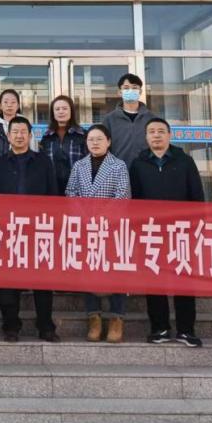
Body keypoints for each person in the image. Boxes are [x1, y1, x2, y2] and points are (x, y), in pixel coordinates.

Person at [129, 117, 205, 347]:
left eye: (161, 131)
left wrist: (196, 226)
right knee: (154, 280)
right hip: (151, 231)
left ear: (170, 135)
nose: (156, 135)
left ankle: (186, 330)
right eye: (151, 131)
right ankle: (159, 328)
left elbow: (197, 196)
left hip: (181, 231)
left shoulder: (185, 161)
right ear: (146, 137)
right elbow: (134, 200)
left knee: (184, 280)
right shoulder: (138, 164)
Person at [0, 116, 60, 344]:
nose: (19, 136)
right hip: (8, 230)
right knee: (9, 282)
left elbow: (53, 194)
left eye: (23, 132)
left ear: (30, 136)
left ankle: (45, 326)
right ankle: (11, 326)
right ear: (8, 136)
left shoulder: (43, 162)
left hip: (38, 229)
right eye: (15, 132)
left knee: (43, 281)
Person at [65, 124, 130, 343]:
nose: (95, 143)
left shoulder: (118, 165)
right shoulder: (79, 165)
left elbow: (122, 196)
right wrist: (84, 216)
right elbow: (70, 192)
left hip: (111, 228)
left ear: (108, 142)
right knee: (89, 270)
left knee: (116, 272)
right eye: (91, 139)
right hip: (86, 228)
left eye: (99, 139)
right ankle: (93, 318)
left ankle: (116, 318)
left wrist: (102, 217)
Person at [0, 88, 37, 185]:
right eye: (6, 102)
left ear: (18, 105)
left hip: (24, 176)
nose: (9, 105)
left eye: (13, 102)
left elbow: (34, 150)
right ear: (0, 105)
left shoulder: (26, 126)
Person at [101, 73, 156, 166]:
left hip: (147, 170)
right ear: (119, 92)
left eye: (134, 88)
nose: (130, 90)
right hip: (118, 170)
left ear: (140, 91)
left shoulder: (152, 118)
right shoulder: (109, 120)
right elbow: (104, 148)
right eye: (126, 88)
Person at [40, 95, 87, 194]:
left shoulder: (83, 135)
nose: (61, 112)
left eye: (65, 108)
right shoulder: (47, 137)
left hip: (78, 189)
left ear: (71, 111)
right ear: (53, 113)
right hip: (52, 190)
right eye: (57, 109)